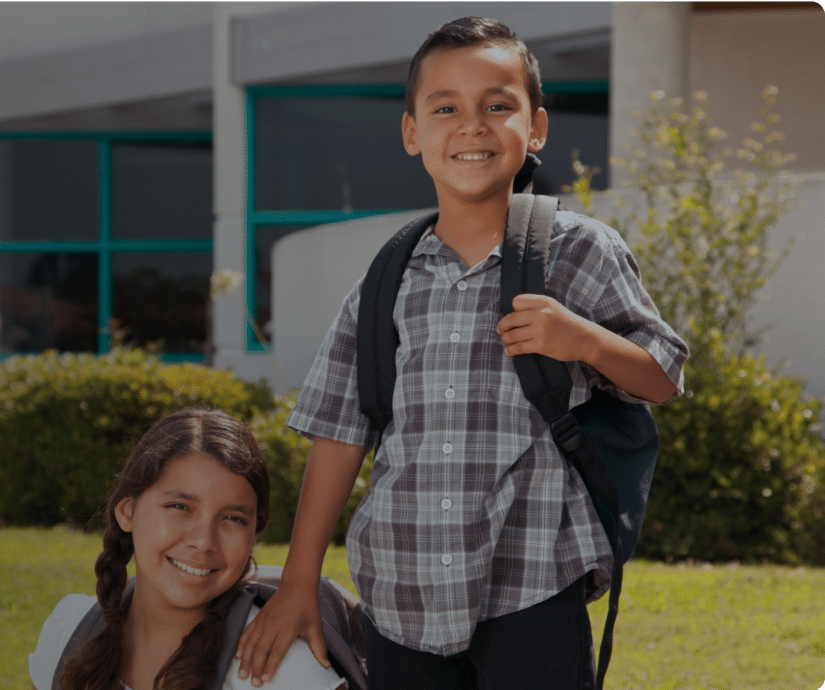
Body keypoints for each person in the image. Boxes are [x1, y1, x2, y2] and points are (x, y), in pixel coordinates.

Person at [235, 17, 689, 690]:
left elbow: (663, 375)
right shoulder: (388, 276)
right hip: (400, 589)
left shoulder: (578, 249)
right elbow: (339, 429)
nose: (471, 126)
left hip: (534, 580)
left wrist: (584, 341)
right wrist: (300, 581)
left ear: (534, 128)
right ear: (413, 132)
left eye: (496, 106)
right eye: (445, 107)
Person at [28, 408, 346, 690]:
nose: (203, 541)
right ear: (127, 512)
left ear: (254, 533)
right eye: (179, 506)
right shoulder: (70, 631)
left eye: (233, 518)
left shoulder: (275, 667)